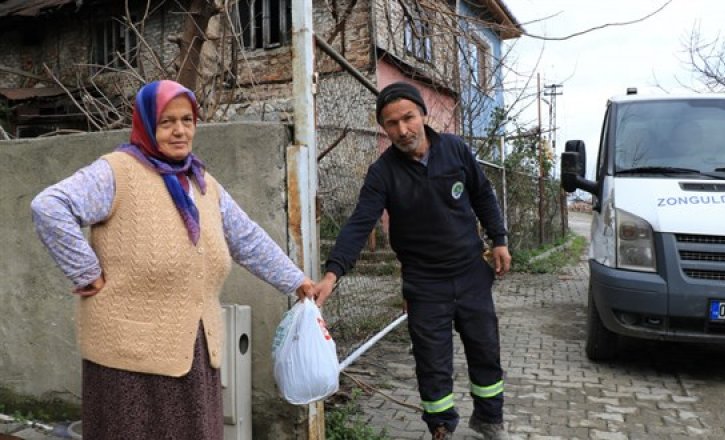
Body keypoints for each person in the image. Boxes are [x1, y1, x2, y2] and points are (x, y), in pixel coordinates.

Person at [30, 80, 313, 440]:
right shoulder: (117, 171)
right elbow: (49, 207)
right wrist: (87, 271)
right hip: (127, 358)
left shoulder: (202, 183)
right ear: (147, 125)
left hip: (193, 351)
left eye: (187, 120)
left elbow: (247, 237)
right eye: (166, 122)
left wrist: (296, 281)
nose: (180, 131)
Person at [309, 82, 512, 440]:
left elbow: (483, 194)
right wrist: (332, 273)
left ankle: (490, 421)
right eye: (391, 124)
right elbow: (359, 223)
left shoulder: (455, 150)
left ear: (422, 114)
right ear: (383, 129)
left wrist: (500, 239)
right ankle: (440, 428)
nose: (402, 130)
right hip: (424, 282)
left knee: (485, 350)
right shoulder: (383, 172)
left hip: (470, 273)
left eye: (408, 118)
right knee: (432, 364)